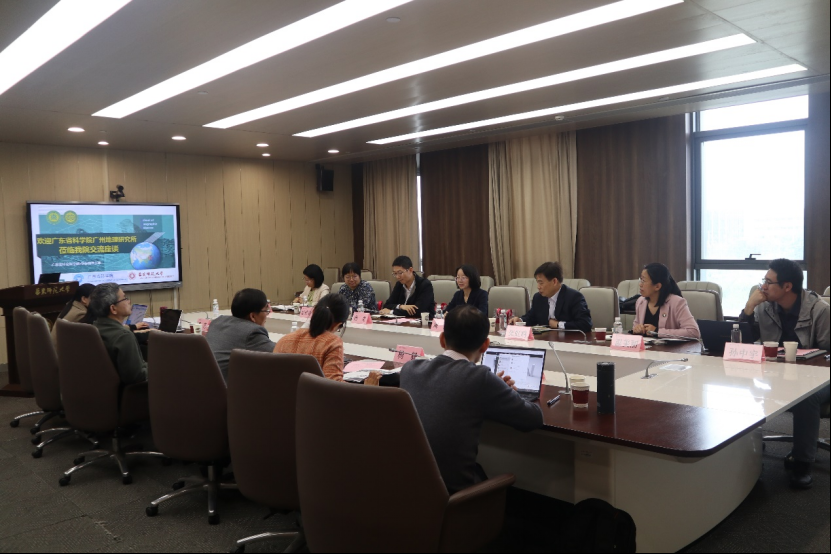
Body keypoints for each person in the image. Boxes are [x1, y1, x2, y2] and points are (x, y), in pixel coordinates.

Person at [400, 305, 543, 493]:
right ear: (485, 345)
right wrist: (502, 390)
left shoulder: (410, 369)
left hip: (405, 487)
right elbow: (533, 419)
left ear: (442, 339)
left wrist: (495, 386)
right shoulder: (480, 378)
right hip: (453, 495)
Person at [740, 258, 830, 489]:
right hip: (778, 371)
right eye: (763, 281)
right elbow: (745, 342)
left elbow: (828, 355)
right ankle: (748, 445)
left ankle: (802, 463)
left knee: (807, 396)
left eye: (768, 282)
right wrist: (749, 308)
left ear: (787, 286)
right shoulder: (764, 307)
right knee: (738, 378)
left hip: (820, 376)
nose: (763, 286)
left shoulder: (820, 310)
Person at [275, 293, 380, 385]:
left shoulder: (284, 340)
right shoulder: (332, 343)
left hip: (282, 400)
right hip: (312, 400)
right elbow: (333, 387)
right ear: (338, 325)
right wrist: (367, 389)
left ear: (314, 311)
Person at [205, 288, 277, 382]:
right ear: (252, 316)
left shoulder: (217, 322)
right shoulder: (252, 332)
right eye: (266, 310)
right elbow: (280, 352)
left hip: (203, 383)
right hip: (225, 387)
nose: (267, 314)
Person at [89, 283, 148, 385]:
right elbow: (136, 376)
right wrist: (157, 367)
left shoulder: (93, 328)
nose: (129, 301)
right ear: (113, 309)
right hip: (133, 390)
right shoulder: (124, 336)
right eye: (124, 298)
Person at [510, 262, 592, 333]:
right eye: (537, 283)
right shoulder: (538, 297)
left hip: (568, 341)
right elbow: (531, 317)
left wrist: (558, 324)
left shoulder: (574, 297)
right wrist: (520, 320)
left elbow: (585, 324)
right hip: (545, 341)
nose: (538, 287)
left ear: (554, 281)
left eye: (541, 283)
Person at [632, 263, 700, 338]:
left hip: (670, 345)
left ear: (657, 286)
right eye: (640, 279)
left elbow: (693, 332)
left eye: (643, 280)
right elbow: (635, 327)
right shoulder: (641, 301)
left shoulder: (677, 302)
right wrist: (637, 329)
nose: (640, 284)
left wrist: (657, 331)